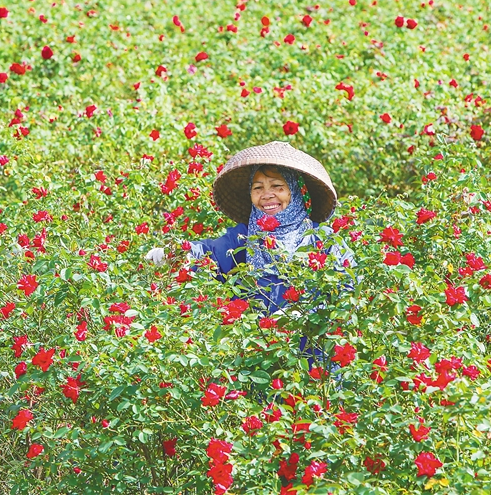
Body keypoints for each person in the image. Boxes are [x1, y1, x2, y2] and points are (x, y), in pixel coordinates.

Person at [145, 141, 357, 368]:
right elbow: (210, 252)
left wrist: (306, 315)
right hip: (258, 355)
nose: (267, 195)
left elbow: (348, 293)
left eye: (277, 186)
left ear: (295, 191)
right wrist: (175, 252)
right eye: (258, 188)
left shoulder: (322, 240)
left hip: (313, 357)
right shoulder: (244, 237)